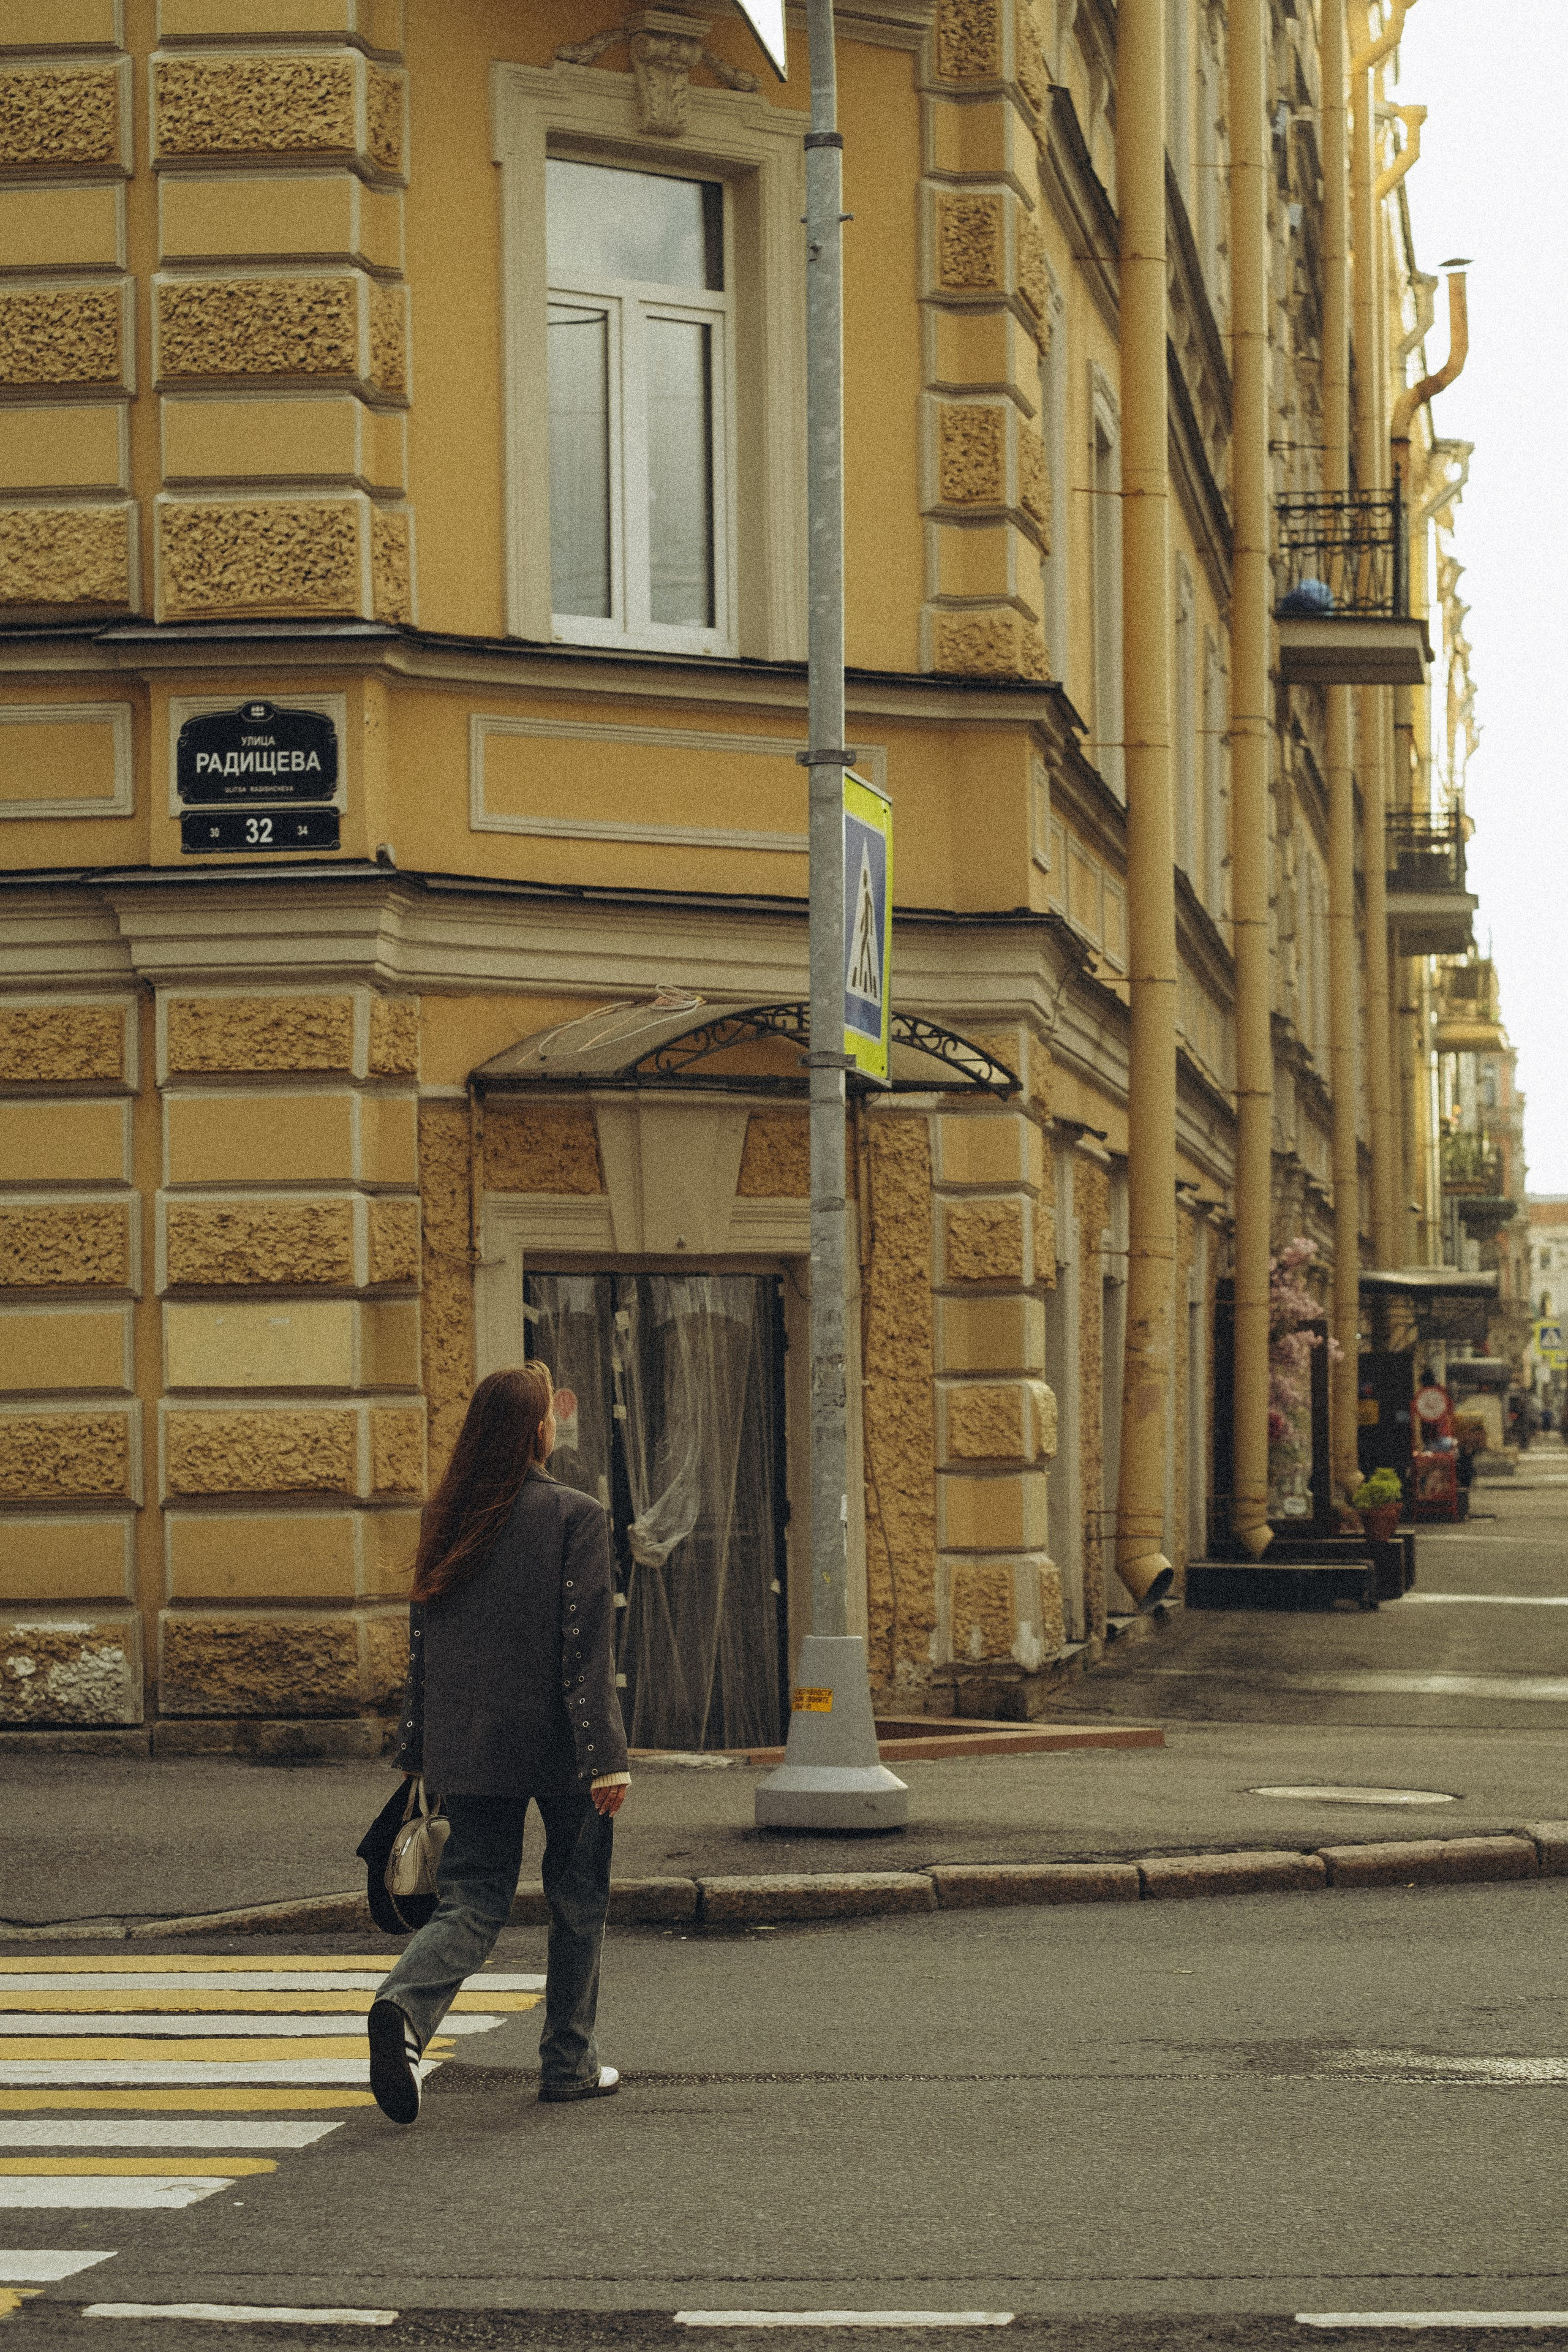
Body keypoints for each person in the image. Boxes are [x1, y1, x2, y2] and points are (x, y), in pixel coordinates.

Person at [366, 1363, 630, 2125]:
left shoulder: (445, 1517)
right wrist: (607, 1758)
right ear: (537, 1432)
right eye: (550, 1414)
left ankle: (403, 2008)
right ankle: (568, 2063)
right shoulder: (575, 1516)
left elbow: (426, 1646)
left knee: (474, 1898)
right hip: (564, 1747)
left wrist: (418, 1749)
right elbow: (584, 1650)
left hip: (470, 1745)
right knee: (578, 1899)